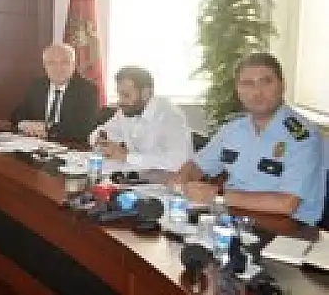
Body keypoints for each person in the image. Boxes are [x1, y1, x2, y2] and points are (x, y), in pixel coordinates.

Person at [173, 53, 325, 225]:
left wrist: (218, 195)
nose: (257, 92)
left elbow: (287, 204)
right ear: (237, 90)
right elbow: (197, 166)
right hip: (234, 220)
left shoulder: (304, 137)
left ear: (282, 85)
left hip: (288, 229)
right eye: (247, 83)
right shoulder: (232, 130)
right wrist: (183, 181)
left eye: (266, 82)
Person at [90, 66, 192, 171]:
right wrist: (101, 139)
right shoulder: (127, 110)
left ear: (145, 93)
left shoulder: (170, 116)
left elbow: (178, 162)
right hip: (137, 175)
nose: (120, 101)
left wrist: (126, 156)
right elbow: (104, 131)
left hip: (168, 178)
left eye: (126, 95)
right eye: (119, 94)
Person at [10, 43, 98, 142]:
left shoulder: (87, 90)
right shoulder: (37, 85)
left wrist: (48, 128)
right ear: (44, 66)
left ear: (73, 65)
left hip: (69, 145)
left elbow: (84, 128)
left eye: (64, 62)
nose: (58, 68)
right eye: (52, 63)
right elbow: (17, 114)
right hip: (36, 143)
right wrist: (23, 123)